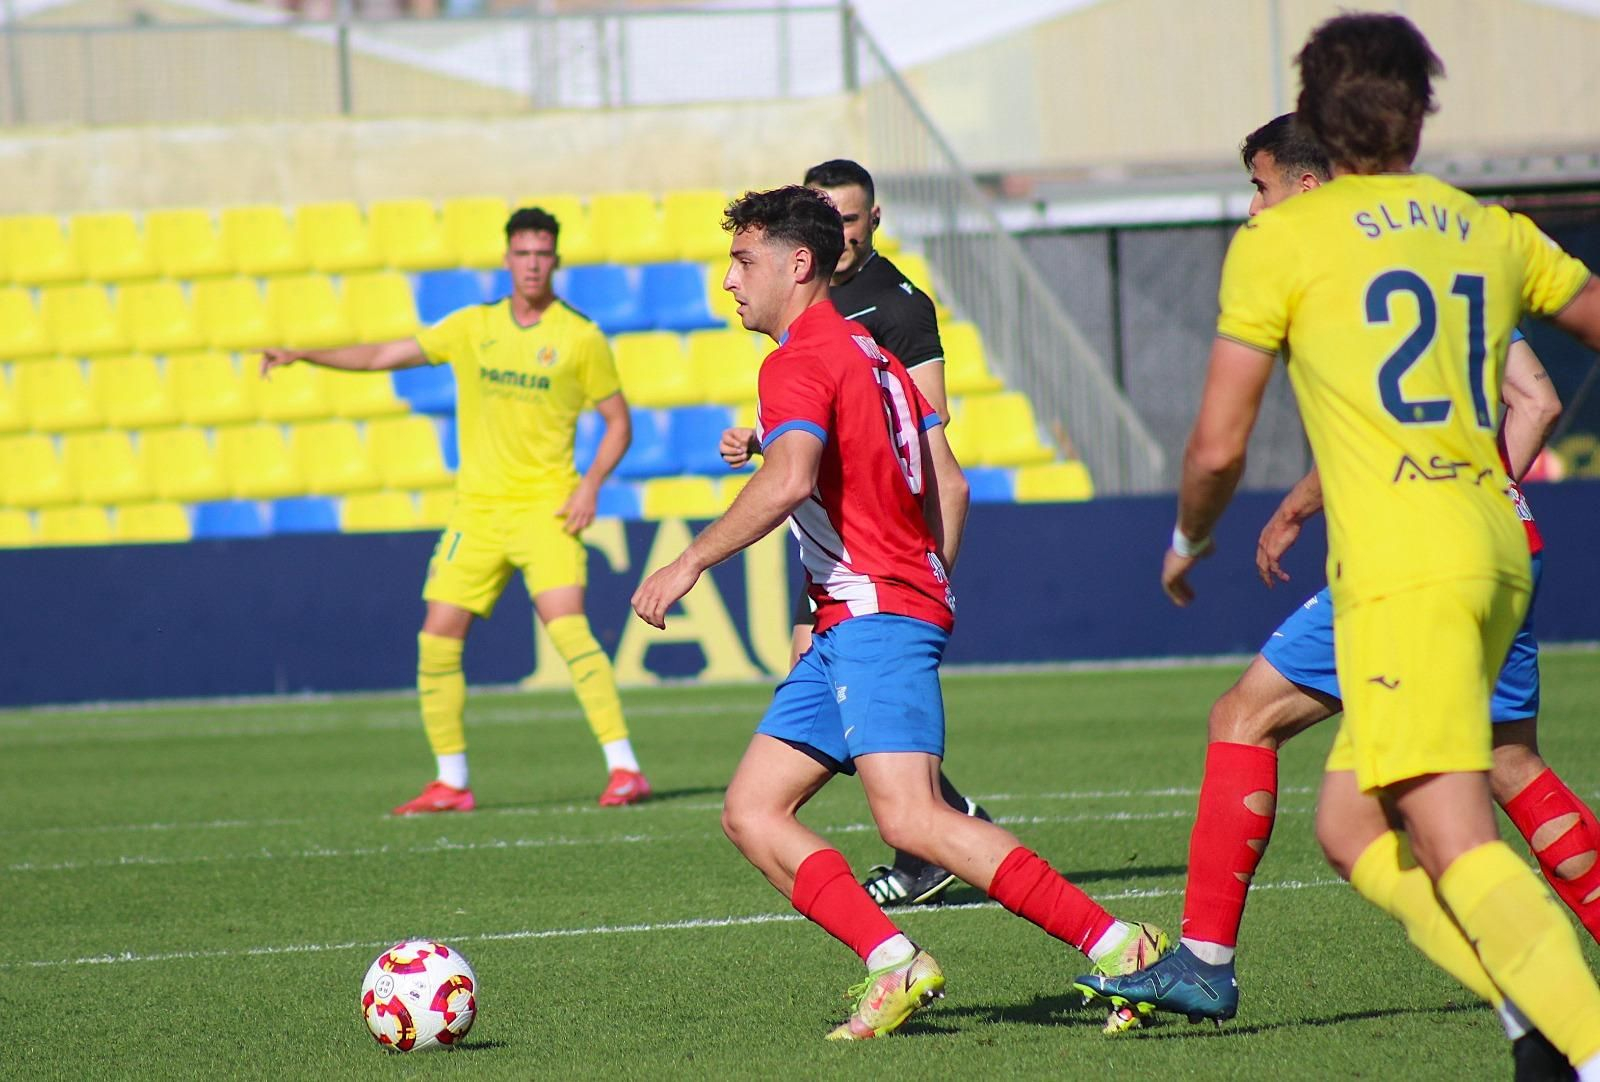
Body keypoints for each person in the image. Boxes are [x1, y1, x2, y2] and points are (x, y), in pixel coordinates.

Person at [1077, 15, 1600, 1075]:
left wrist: (1189, 537)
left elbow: (1217, 443)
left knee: (1452, 837)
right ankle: (1534, 1027)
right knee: (1352, 828)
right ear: (1423, 112)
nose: (1253, 202)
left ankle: (1581, 1043)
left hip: (1406, 566)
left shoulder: (1286, 241)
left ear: (1314, 113)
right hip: (1498, 542)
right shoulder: (1484, 227)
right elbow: (1556, 357)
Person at [633, 185, 1167, 1040]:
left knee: (913, 818)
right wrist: (925, 577)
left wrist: (689, 560)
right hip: (858, 617)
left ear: (797, 265)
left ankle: (1122, 946)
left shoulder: (797, 360)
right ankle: (896, 963)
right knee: (752, 811)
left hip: (874, 614)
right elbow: (946, 480)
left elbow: (791, 480)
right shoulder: (872, 355)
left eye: (742, 261)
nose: (729, 280)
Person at [260, 207, 652, 812]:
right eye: (522, 254)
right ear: (507, 260)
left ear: (555, 261)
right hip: (478, 513)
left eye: (542, 254)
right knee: (436, 639)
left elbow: (619, 423)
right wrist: (304, 354)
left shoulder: (580, 337)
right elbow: (382, 355)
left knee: (568, 630)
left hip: (546, 509)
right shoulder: (474, 326)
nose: (532, 264)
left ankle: (625, 769)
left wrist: (590, 484)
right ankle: (451, 780)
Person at [718, 158, 991, 909]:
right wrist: (769, 440)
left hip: (875, 566)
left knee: (891, 792)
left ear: (871, 221)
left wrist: (921, 580)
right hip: (839, 556)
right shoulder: (815, 320)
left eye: (849, 217)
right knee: (772, 781)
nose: (840, 231)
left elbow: (929, 454)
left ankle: (941, 842)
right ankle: (925, 860)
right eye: (827, 214)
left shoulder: (895, 311)